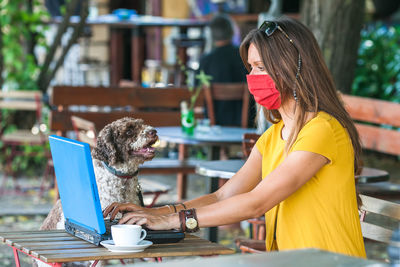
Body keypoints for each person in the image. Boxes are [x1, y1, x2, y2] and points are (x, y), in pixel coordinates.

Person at [104, 17, 366, 257]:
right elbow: (223, 196)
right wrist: (156, 213)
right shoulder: (273, 136)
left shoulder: (322, 130)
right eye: (250, 68)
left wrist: (174, 221)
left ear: (292, 68)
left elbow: (256, 202)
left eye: (261, 67)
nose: (252, 78)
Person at [199, 13, 250, 126]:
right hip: (244, 123)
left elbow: (198, 92)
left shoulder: (205, 60)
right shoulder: (244, 56)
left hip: (214, 123)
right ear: (232, 32)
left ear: (211, 35)